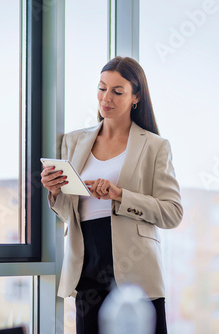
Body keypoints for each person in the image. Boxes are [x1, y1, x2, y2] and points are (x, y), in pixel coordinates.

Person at [41, 56, 183, 334]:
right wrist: (55, 191)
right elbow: (71, 211)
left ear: (136, 97)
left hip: (136, 264)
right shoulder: (73, 141)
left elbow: (173, 213)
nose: (106, 98)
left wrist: (120, 195)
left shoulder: (155, 146)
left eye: (117, 91)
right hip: (87, 261)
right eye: (102, 88)